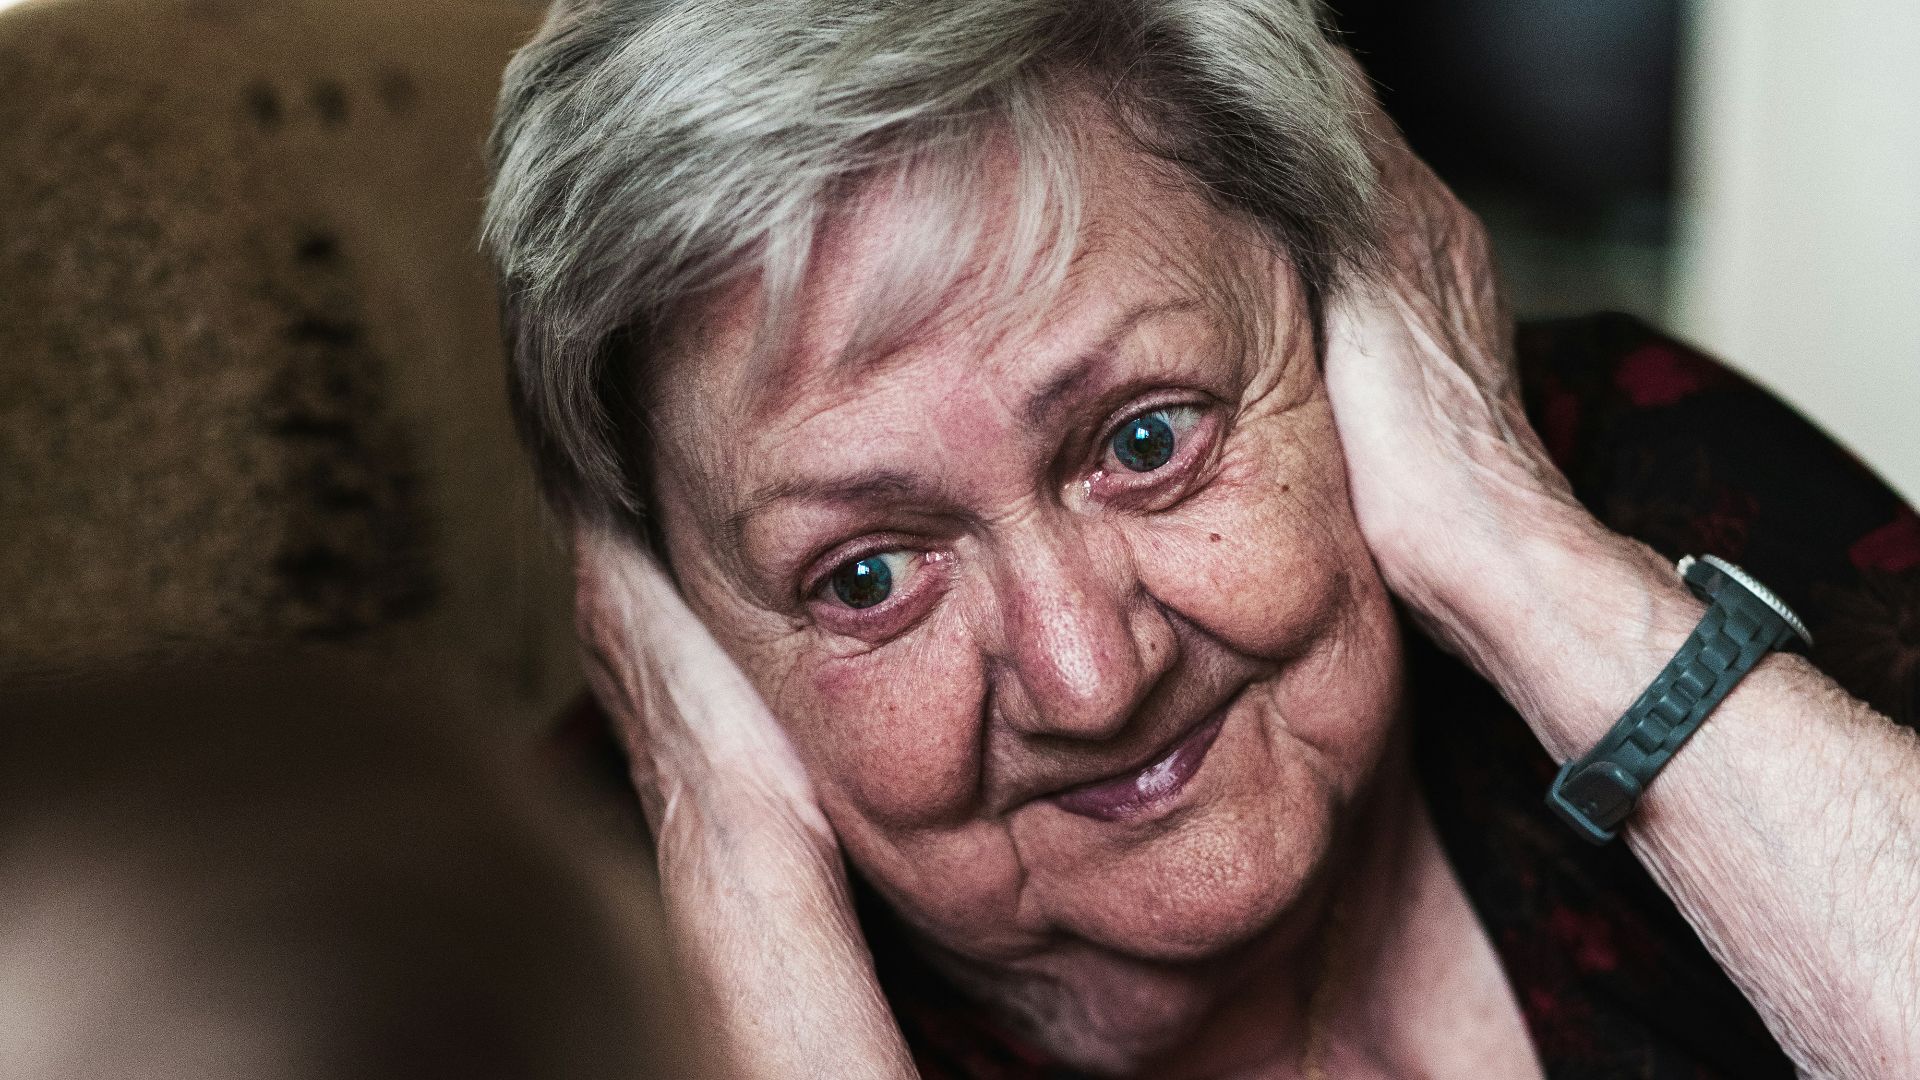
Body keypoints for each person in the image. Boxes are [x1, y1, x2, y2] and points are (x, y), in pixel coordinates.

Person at [483, 1, 1920, 1076]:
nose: (1089, 679)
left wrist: (1523, 560)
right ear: (674, 606)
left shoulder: (1641, 475)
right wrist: (742, 876)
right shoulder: (532, 964)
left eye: (1144, 441)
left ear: (1342, 320)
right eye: (867, 576)